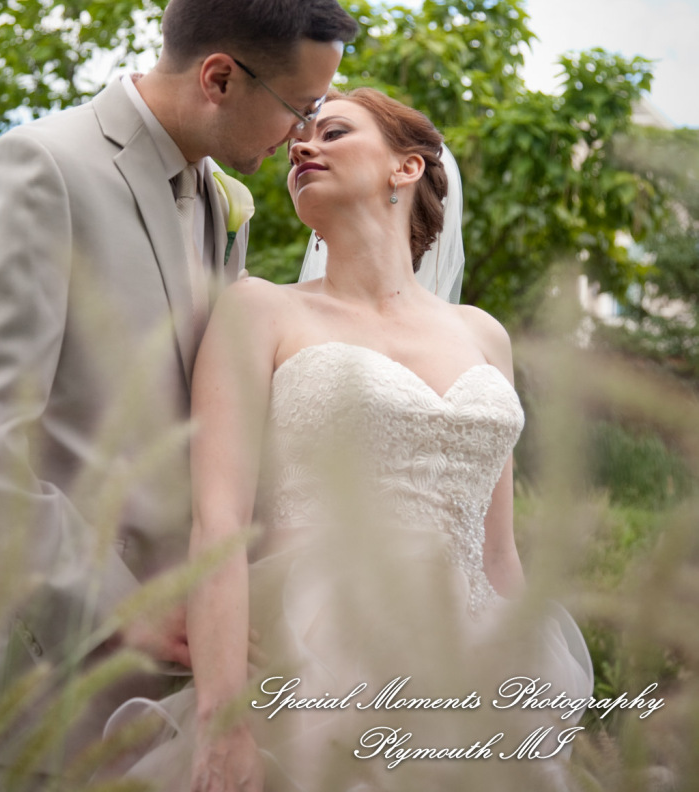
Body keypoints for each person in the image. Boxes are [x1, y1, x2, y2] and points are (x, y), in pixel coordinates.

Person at [0, 0, 358, 786]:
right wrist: (119, 609)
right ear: (219, 77)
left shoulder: (221, 201)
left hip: (177, 700)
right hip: (36, 692)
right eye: (299, 108)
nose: (304, 134)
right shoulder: (41, 168)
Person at [106, 87, 593, 792]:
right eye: (298, 141)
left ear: (407, 167)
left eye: (333, 132)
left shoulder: (484, 335)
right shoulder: (261, 309)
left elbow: (498, 553)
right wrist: (222, 720)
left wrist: (532, 698)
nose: (303, 146)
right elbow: (218, 526)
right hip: (314, 657)